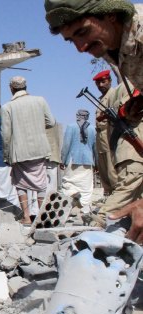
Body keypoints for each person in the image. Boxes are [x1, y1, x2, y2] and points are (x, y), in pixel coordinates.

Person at [45, 0, 143, 241]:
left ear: (110, 14)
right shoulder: (116, 44)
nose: (80, 47)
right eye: (71, 40)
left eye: (83, 32)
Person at [1, 76, 56, 224]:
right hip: (39, 148)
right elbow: (51, 122)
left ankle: (26, 217)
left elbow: (6, 134)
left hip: (19, 152)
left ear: (11, 88)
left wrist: (6, 155)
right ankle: (42, 218)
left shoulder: (7, 107)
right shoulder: (40, 101)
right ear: (25, 87)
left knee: (20, 184)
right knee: (41, 183)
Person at [60, 109, 97, 215]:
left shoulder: (71, 127)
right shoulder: (92, 129)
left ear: (77, 116)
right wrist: (97, 164)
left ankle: (73, 194)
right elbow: (95, 148)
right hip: (87, 161)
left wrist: (62, 160)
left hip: (73, 160)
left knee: (68, 182)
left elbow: (66, 145)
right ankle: (85, 210)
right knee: (86, 187)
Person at [93, 70, 120, 195]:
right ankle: (109, 195)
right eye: (98, 83)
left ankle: (117, 197)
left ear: (109, 81)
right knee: (104, 170)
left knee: (112, 170)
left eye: (103, 82)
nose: (101, 85)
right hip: (100, 137)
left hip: (109, 135)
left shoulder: (113, 94)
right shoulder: (102, 98)